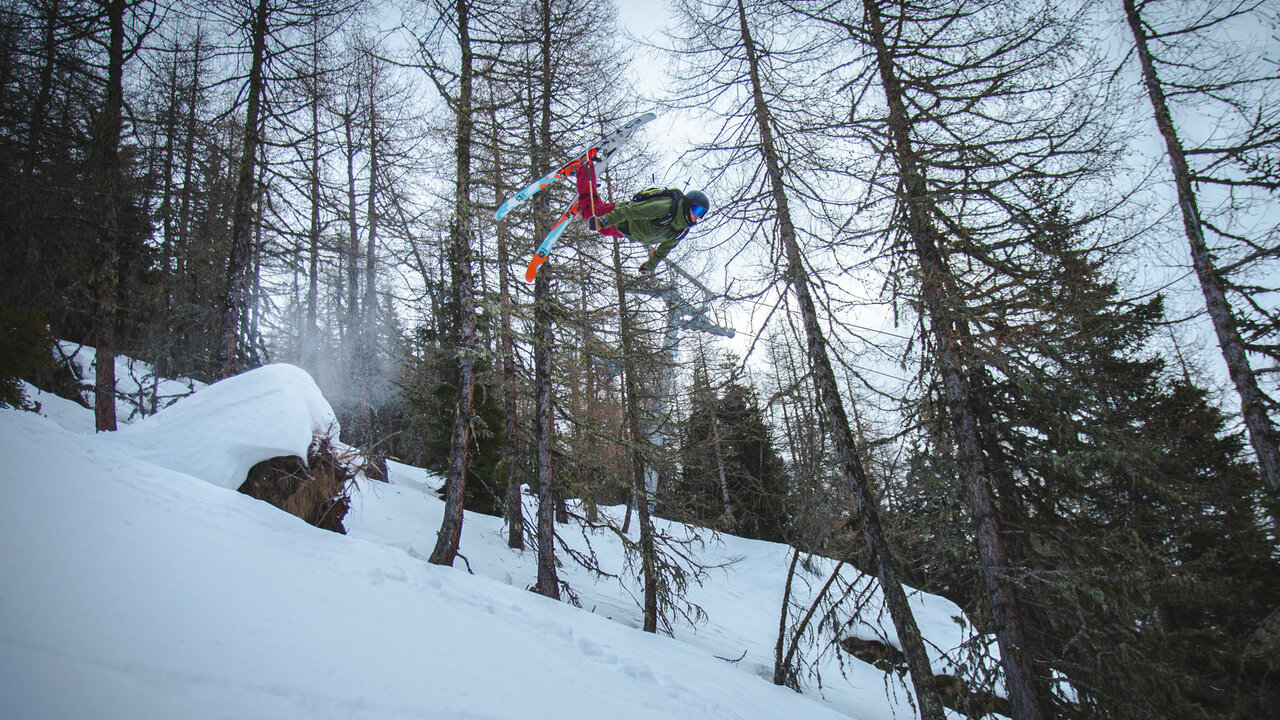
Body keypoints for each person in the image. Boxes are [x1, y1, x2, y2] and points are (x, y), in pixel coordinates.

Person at [576, 162, 709, 275]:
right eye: (697, 210)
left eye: (702, 214)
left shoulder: (681, 230)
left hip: (628, 231)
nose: (697, 216)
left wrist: (651, 265)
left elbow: (664, 249)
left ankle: (585, 197)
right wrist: (605, 220)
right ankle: (583, 168)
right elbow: (633, 210)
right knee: (591, 212)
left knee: (599, 223)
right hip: (623, 216)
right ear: (687, 204)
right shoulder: (666, 207)